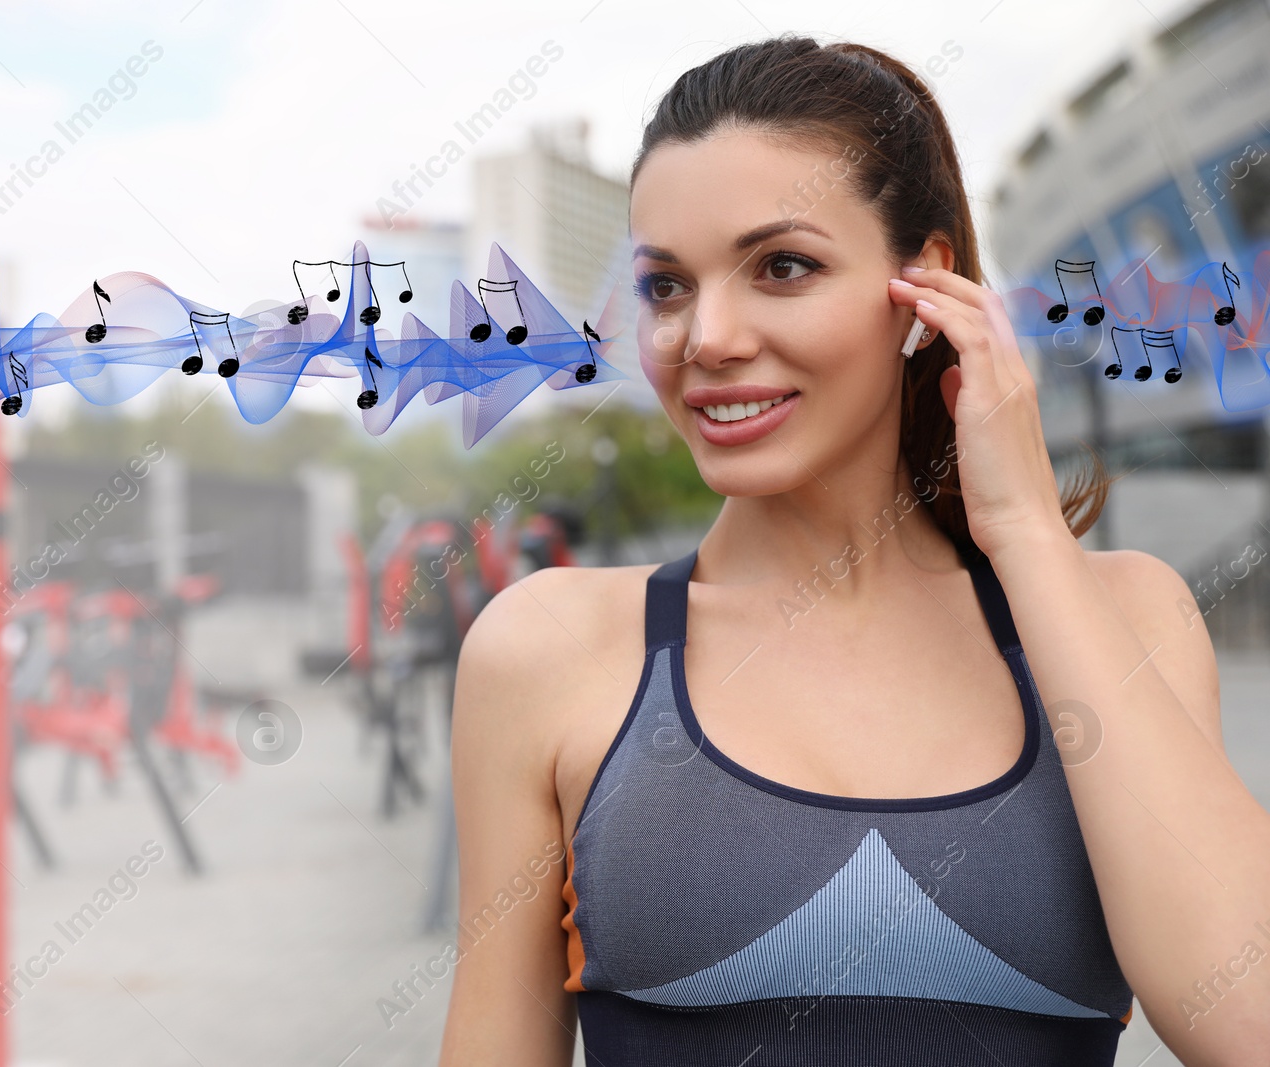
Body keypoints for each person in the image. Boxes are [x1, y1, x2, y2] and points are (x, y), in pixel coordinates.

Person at [437, 35, 1270, 1067]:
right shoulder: (548, 645)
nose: (708, 336)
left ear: (925, 288)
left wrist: (1019, 529)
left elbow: (1247, 1022)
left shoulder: (1126, 616)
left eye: (782, 266)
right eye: (665, 286)